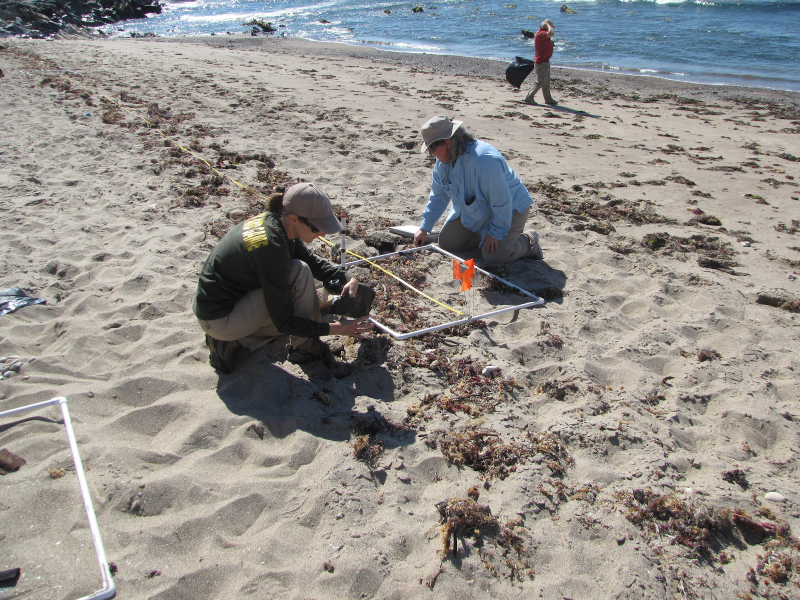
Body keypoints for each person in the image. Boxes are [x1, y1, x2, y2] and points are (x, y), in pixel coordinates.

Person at [193, 182, 374, 373]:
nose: (321, 234)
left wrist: (348, 279)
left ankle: (242, 335)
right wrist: (336, 328)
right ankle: (299, 347)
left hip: (225, 302)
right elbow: (285, 321)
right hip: (219, 319)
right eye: (316, 228)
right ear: (295, 219)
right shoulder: (272, 248)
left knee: (300, 272)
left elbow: (311, 261)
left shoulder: (278, 223)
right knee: (298, 285)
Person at [413, 116, 543, 264]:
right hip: (475, 212)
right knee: (448, 242)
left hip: (510, 209)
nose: (430, 153)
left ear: (447, 143)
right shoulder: (443, 162)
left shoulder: (484, 161)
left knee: (494, 256)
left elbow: (502, 202)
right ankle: (484, 237)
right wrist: (424, 227)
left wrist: (495, 233)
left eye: (432, 148)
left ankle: (529, 242)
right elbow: (438, 196)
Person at [525, 19, 557, 106]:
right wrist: (547, 25)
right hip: (541, 62)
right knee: (541, 81)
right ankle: (529, 97)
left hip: (545, 61)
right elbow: (551, 33)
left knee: (546, 81)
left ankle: (548, 98)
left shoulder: (544, 35)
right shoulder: (540, 33)